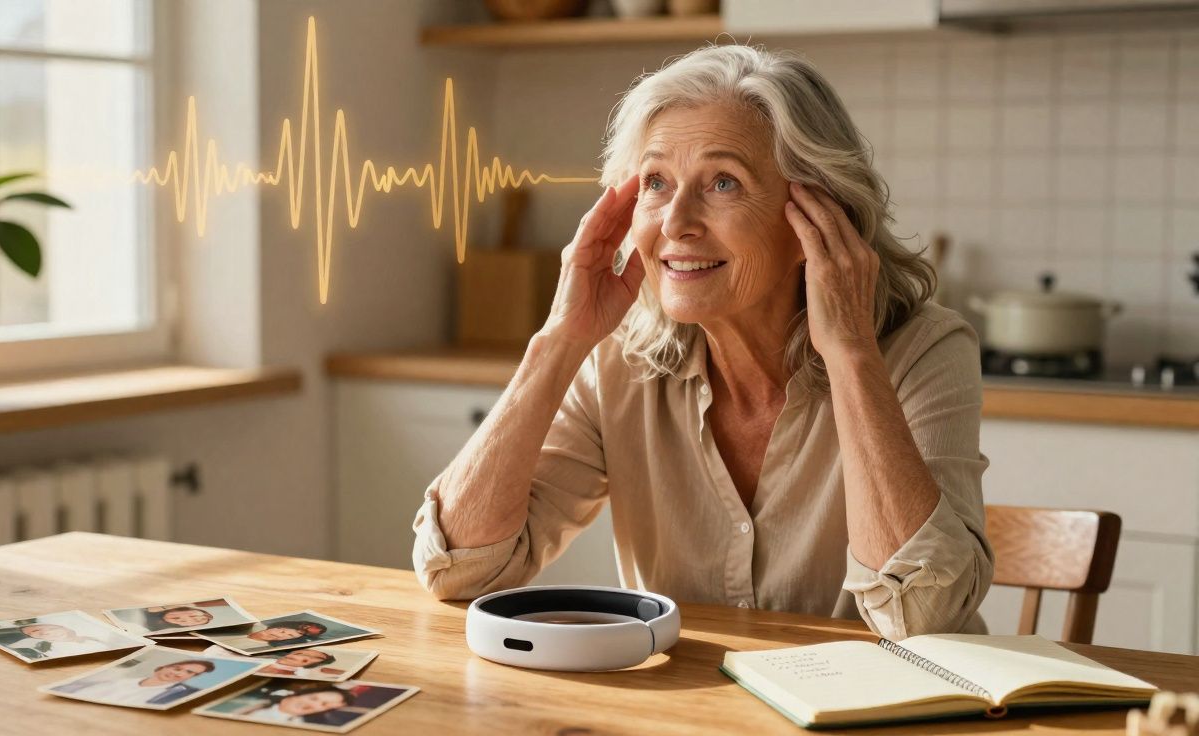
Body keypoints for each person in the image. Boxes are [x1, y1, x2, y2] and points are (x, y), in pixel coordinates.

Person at [412, 44, 993, 641]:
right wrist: (559, 339)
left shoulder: (924, 350)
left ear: (818, 216)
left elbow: (922, 617)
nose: (675, 222)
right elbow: (460, 567)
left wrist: (849, 351)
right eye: (657, 182)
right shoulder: (618, 358)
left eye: (723, 182)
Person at [56, 658, 216, 706]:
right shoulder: (114, 680)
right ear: (163, 665)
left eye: (189, 672)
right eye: (176, 667)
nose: (177, 673)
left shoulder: (186, 694)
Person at [245, 682, 358, 727]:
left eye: (324, 705)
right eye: (313, 698)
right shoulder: (254, 699)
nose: (314, 705)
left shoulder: (298, 726)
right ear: (298, 694)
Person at [0, 622, 113, 660]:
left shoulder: (97, 633)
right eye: (39, 634)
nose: (46, 632)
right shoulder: (57, 652)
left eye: (50, 628)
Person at [260, 648, 343, 677]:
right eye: (299, 653)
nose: (297, 657)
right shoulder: (269, 655)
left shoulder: (294, 672)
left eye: (305, 660)